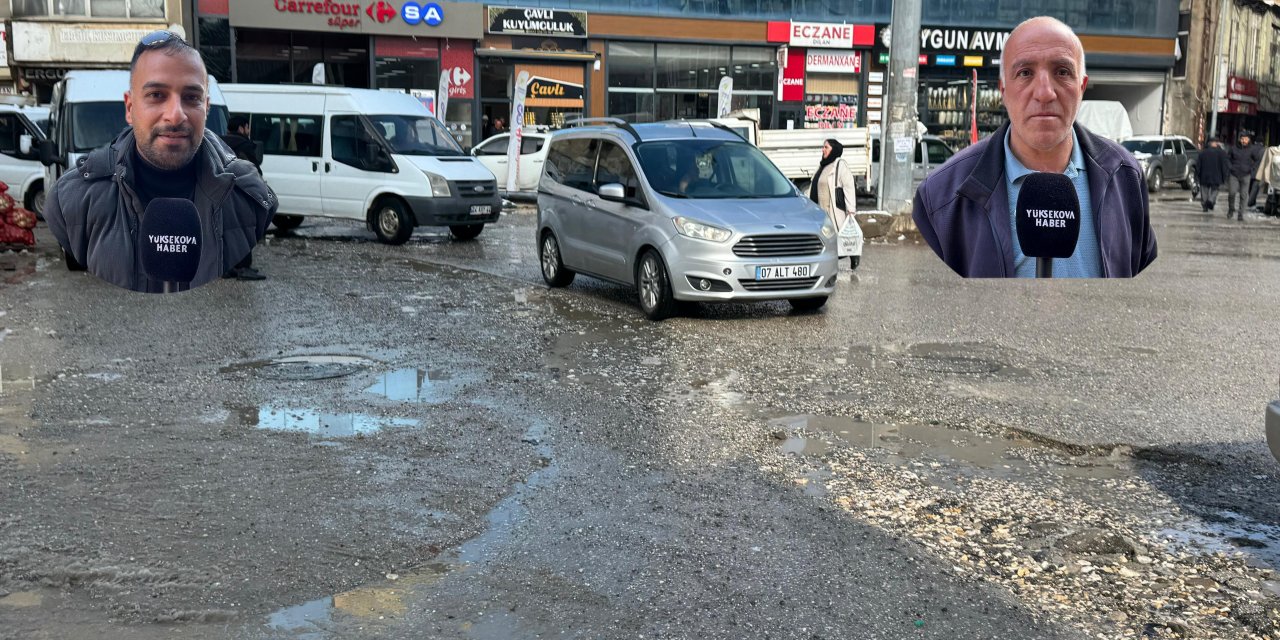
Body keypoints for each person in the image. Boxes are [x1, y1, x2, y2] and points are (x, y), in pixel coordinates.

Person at [911, 16, 1156, 278]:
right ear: (1003, 90)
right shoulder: (941, 195)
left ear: (1082, 87)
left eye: (1062, 72)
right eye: (1025, 73)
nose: (1045, 92)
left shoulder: (1125, 176)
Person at [44, 31, 276, 293]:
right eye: (156, 95)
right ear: (130, 108)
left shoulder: (250, 198)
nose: (175, 116)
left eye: (191, 97)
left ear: (206, 107)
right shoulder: (71, 200)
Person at [221, 115, 266, 280]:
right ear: (241, 128)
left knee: (228, 231)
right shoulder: (244, 145)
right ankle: (243, 268)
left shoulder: (218, 143)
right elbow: (252, 171)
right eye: (247, 127)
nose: (248, 131)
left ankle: (227, 267)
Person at [808, 138, 863, 270]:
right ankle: (829, 262)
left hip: (833, 209)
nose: (823, 150)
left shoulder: (840, 165)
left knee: (839, 237)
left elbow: (849, 186)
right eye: (823, 147)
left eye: (826, 147)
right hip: (820, 210)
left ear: (834, 149)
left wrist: (851, 209)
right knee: (826, 237)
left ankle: (852, 254)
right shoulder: (823, 165)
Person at [1227, 131, 1263, 221]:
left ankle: (1241, 214)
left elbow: (1257, 160)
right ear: (1240, 139)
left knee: (1244, 195)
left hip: (1246, 175)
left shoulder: (1252, 150)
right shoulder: (1234, 148)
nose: (1244, 141)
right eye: (1242, 139)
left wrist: (1251, 169)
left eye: (1246, 139)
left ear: (1249, 140)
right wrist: (1230, 167)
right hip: (1234, 174)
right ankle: (1231, 209)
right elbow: (1227, 159)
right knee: (1232, 193)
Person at [1196, 137, 1229, 212]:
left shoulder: (1203, 153)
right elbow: (1224, 165)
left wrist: (1197, 175)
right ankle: (1211, 200)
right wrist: (1224, 177)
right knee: (1215, 190)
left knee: (1204, 190)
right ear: (1216, 143)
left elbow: (1198, 165)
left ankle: (1205, 205)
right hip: (1217, 175)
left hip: (1204, 175)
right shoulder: (1222, 153)